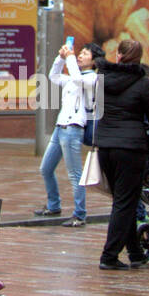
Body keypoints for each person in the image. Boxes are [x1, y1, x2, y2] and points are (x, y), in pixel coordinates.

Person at [95, 38, 149, 270]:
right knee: (125, 202)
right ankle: (109, 256)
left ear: (118, 55)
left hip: (105, 148)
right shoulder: (143, 83)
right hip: (130, 149)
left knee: (122, 201)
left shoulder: (102, 80)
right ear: (139, 59)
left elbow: (97, 111)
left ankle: (135, 252)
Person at [35, 41, 104, 227]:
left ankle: (80, 214)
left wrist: (71, 57)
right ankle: (54, 204)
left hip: (73, 128)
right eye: (79, 53)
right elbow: (53, 76)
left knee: (75, 174)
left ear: (95, 61)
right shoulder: (75, 76)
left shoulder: (93, 79)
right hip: (60, 127)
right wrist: (61, 57)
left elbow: (78, 80)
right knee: (46, 168)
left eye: (85, 54)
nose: (80, 55)